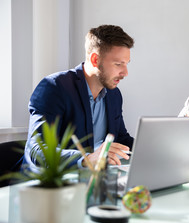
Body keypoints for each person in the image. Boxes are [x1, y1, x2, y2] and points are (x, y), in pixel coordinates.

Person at [23, 25, 134, 171]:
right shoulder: (54, 87)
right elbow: (36, 150)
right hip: (49, 186)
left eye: (126, 64)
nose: (125, 72)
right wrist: (87, 159)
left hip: (93, 180)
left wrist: (159, 150)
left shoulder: (114, 94)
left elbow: (121, 139)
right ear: (95, 60)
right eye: (118, 64)